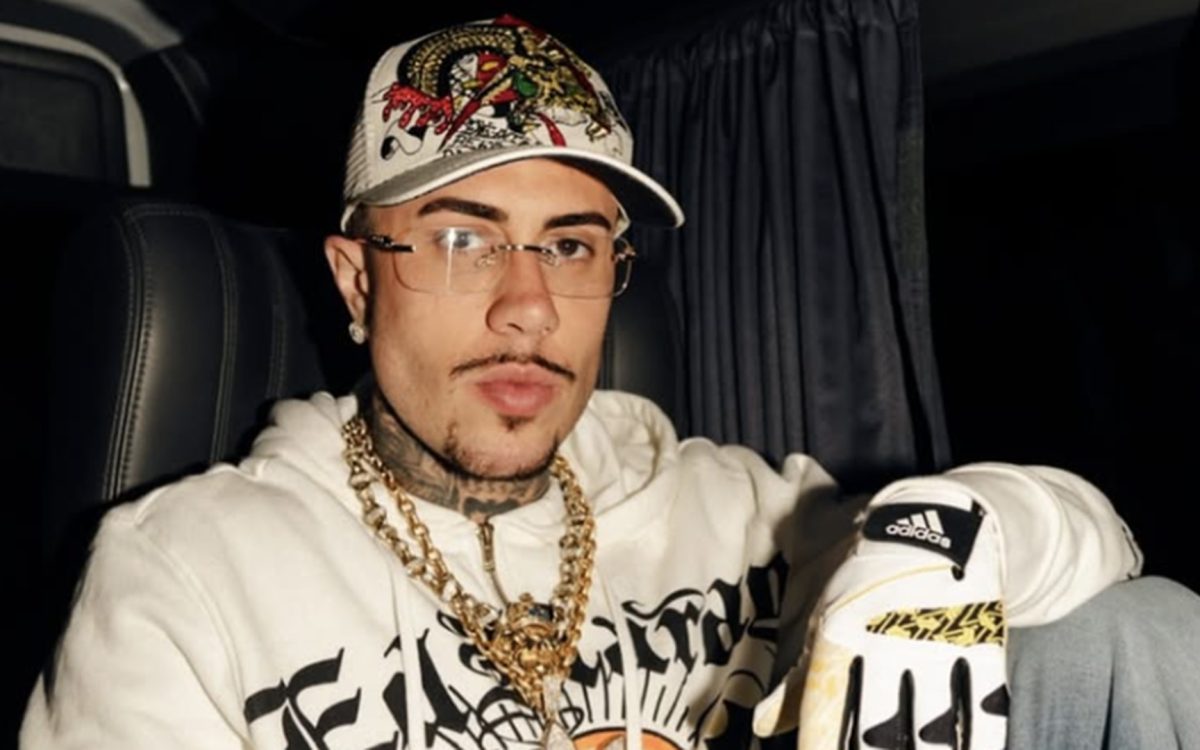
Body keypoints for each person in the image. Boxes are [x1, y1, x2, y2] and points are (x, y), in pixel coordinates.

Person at [21, 14, 1200, 750]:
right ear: (356, 279)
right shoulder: (185, 569)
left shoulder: (735, 507)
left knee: (1137, 634)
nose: (528, 304)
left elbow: (1100, 541)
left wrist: (941, 535)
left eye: (572, 246)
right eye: (463, 239)